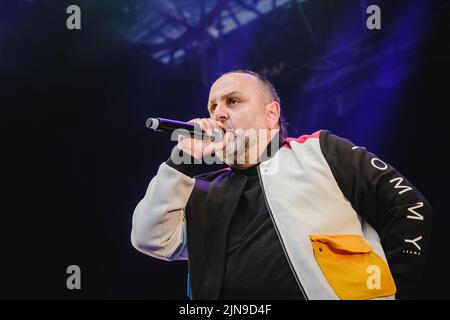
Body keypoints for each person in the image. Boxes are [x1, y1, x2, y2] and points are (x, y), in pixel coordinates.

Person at [131, 70, 432, 300]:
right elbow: (149, 238)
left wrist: (393, 289)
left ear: (271, 113)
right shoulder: (199, 191)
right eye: (212, 107)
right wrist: (182, 160)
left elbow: (409, 206)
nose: (218, 113)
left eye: (232, 101)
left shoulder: (320, 151)